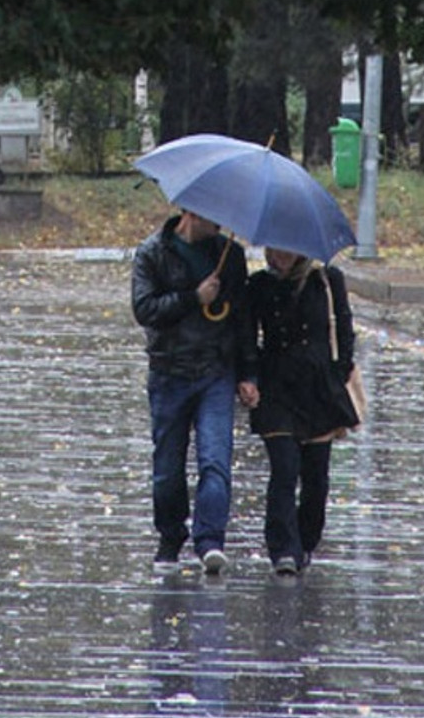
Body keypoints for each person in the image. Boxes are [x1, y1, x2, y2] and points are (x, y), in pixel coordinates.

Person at [131, 209, 259, 576]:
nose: (219, 220)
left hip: (215, 372)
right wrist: (193, 298)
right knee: (168, 468)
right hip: (168, 373)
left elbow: (241, 317)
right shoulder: (153, 252)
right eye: (210, 214)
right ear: (189, 212)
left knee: (215, 459)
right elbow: (144, 309)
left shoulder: (228, 255)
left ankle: (210, 541)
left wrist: (248, 372)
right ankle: (171, 537)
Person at [246, 248, 358, 576]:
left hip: (319, 389)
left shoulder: (326, 280)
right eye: (272, 248)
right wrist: (248, 377)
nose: (277, 255)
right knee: (284, 468)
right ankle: (282, 548)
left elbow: (344, 328)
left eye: (285, 249)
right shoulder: (258, 286)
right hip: (277, 389)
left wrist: (339, 372)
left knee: (316, 476)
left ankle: (306, 541)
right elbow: (247, 337)